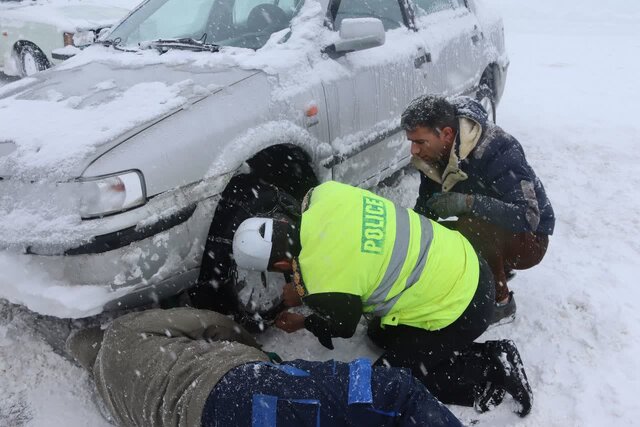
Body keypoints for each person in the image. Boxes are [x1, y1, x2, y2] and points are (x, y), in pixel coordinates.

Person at [233, 180, 533, 417]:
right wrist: (305, 286)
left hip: (464, 307)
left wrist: (304, 317)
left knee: (392, 381)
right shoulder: (325, 195)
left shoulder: (321, 280)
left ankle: (494, 363)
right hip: (462, 257)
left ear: (281, 266)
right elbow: (346, 257)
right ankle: (439, 347)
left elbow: (343, 326)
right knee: (380, 334)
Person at [65, 307, 463, 427]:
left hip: (204, 421)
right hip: (238, 389)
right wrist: (254, 350)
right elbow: (209, 323)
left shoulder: (109, 394)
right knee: (391, 390)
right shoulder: (123, 331)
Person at [401, 95, 555, 324]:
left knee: (471, 226)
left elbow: (528, 216)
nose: (414, 150)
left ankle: (499, 302)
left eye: (420, 142)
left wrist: (468, 203)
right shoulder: (433, 152)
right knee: (439, 236)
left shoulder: (497, 149)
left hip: (530, 239)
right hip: (493, 228)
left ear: (446, 134)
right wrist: (407, 242)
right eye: (411, 141)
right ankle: (484, 270)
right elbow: (426, 208)